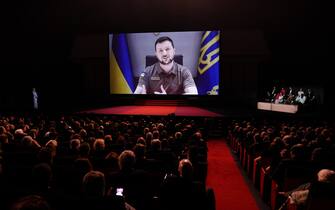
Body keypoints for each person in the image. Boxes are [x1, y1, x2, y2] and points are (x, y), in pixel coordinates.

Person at [134, 36, 198, 95]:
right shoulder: (147, 72)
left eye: (167, 49)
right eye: (160, 50)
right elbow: (137, 93)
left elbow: (193, 94)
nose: (164, 53)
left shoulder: (184, 71)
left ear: (174, 51)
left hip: (176, 106)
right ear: (156, 54)